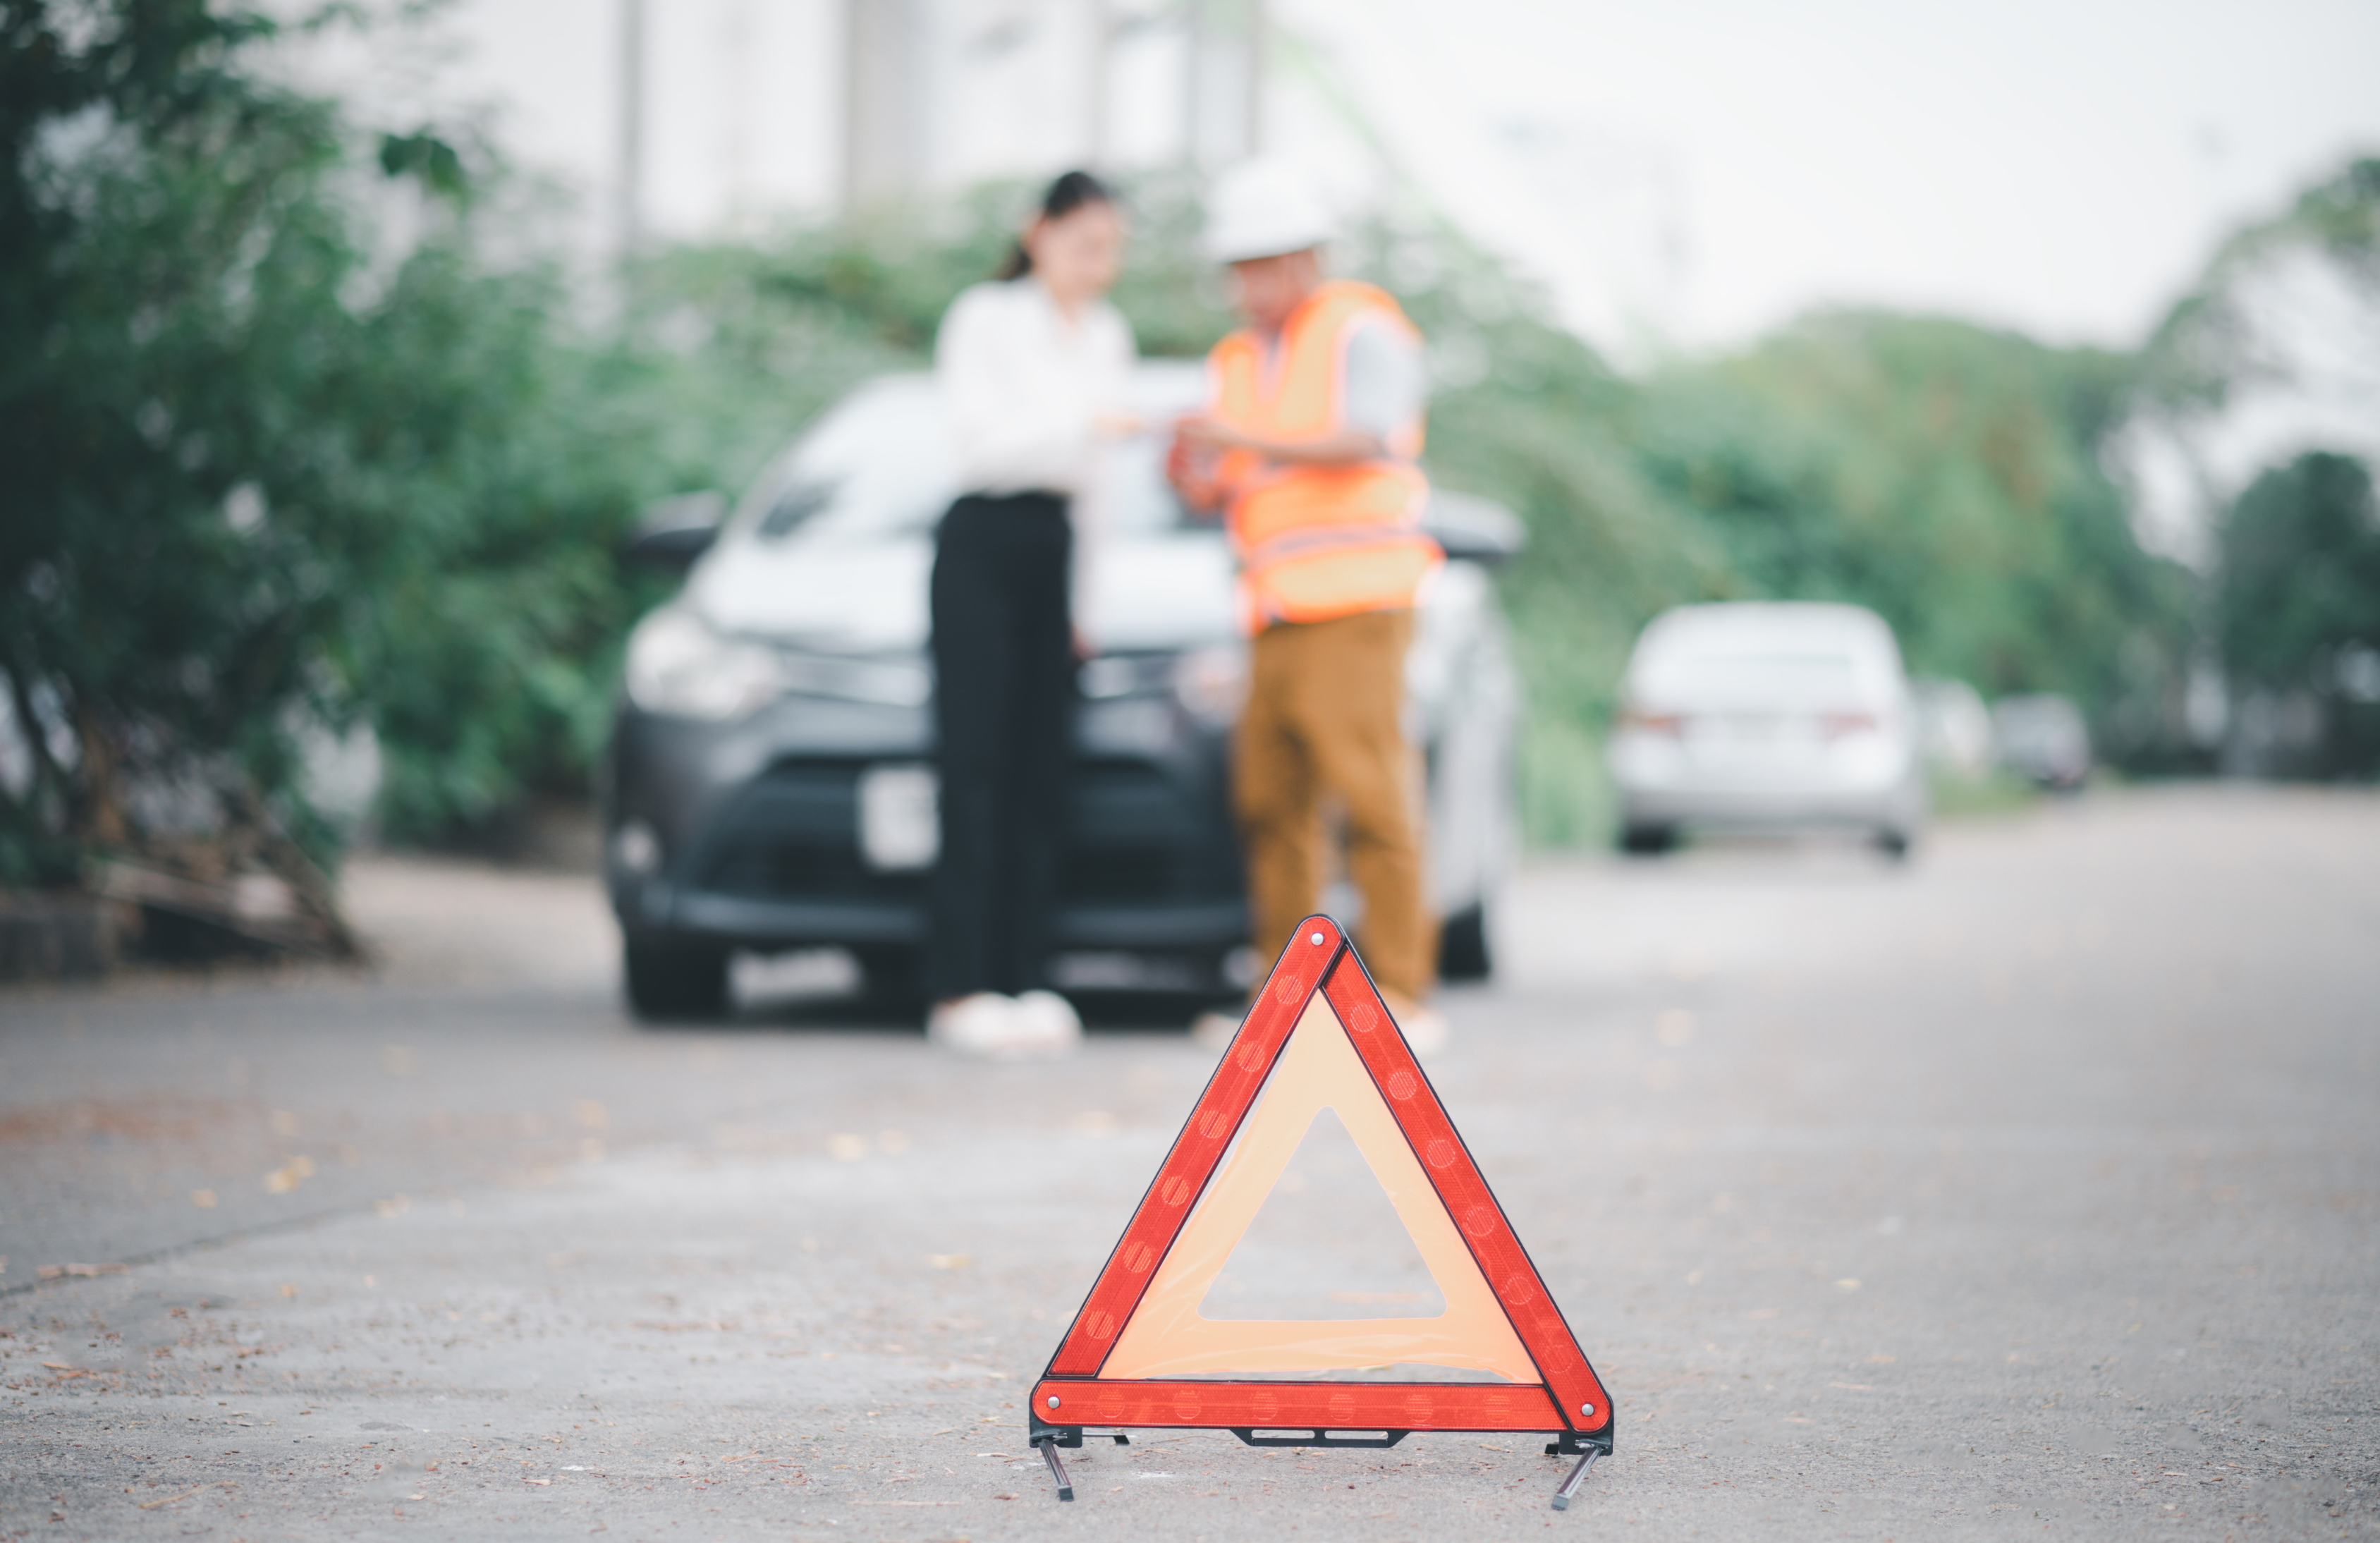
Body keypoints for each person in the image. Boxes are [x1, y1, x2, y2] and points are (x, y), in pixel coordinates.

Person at [1168, 159, 1449, 1054]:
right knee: (1272, 799)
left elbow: (1366, 435)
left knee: (1372, 797)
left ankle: (1404, 994)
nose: (1245, 285)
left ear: (1302, 259)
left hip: (1359, 601)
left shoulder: (1362, 330)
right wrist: (1194, 473)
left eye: (1258, 265)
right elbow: (1232, 483)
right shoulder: (1238, 358)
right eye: (1237, 268)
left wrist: (1240, 439)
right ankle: (1283, 997)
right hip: (1275, 608)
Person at [925, 171, 1136, 1059]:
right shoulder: (985, 317)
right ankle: (960, 984)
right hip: (983, 539)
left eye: (1111, 249)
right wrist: (1087, 424)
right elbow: (984, 445)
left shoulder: (1108, 333)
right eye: (1085, 243)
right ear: (1037, 232)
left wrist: (1084, 602)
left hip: (1055, 546)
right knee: (974, 766)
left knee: (1039, 772)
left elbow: (1097, 489)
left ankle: (1023, 975)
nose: (1099, 264)